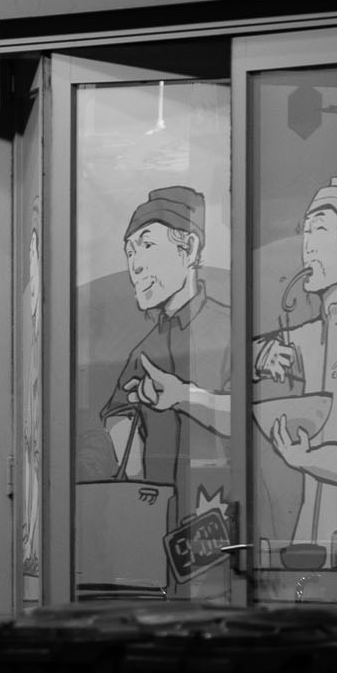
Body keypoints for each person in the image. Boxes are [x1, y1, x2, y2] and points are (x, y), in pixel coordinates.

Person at [98, 185, 232, 592]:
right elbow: (115, 418)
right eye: (130, 251)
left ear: (189, 249)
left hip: (219, 520)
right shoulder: (144, 350)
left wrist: (182, 397)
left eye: (147, 245)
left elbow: (255, 416)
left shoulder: (230, 330)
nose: (134, 264)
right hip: (158, 534)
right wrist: (127, 434)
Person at [255, 178, 337, 577]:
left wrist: (302, 458)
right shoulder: (314, 332)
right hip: (313, 550)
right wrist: (265, 353)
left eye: (319, 230)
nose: (307, 244)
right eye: (304, 231)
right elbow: (245, 351)